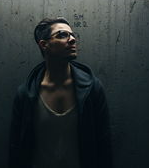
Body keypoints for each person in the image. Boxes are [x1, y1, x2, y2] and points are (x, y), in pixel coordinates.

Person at [9, 17, 112, 168]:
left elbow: (104, 145)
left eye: (72, 35)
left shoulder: (92, 89)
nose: (72, 40)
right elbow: (16, 148)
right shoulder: (25, 94)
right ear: (44, 45)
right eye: (62, 35)